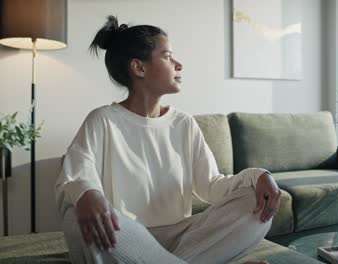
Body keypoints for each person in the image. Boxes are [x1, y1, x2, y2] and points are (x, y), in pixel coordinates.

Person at [55, 15, 281, 264]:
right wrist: (88, 193)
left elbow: (212, 185)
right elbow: (74, 176)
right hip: (126, 238)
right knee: (81, 217)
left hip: (183, 236)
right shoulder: (103, 120)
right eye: (168, 56)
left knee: (255, 201)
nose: (179, 64)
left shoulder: (184, 124)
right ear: (139, 68)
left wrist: (258, 176)